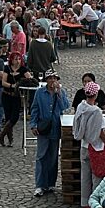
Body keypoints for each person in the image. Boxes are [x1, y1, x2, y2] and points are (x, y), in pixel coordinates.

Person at [30, 69, 69, 197]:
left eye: (55, 78)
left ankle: (51, 183)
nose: (53, 81)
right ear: (46, 80)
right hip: (43, 128)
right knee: (41, 157)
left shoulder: (61, 92)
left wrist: (59, 94)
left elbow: (65, 106)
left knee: (52, 157)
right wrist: (33, 124)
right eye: (50, 78)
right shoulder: (40, 93)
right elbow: (35, 109)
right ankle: (40, 185)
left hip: (55, 128)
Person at [73, 80, 105, 208]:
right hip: (96, 147)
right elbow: (100, 131)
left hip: (84, 146)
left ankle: (85, 202)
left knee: (85, 175)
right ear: (96, 94)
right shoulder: (96, 111)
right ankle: (95, 203)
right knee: (96, 176)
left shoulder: (81, 107)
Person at [0, 52, 29, 147]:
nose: (17, 61)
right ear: (11, 60)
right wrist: (12, 86)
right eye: (15, 59)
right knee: (8, 117)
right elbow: (3, 82)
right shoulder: (7, 68)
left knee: (14, 118)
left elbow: (30, 79)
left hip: (16, 96)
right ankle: (10, 140)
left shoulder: (23, 69)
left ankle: (2, 134)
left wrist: (24, 82)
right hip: (6, 95)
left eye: (19, 59)